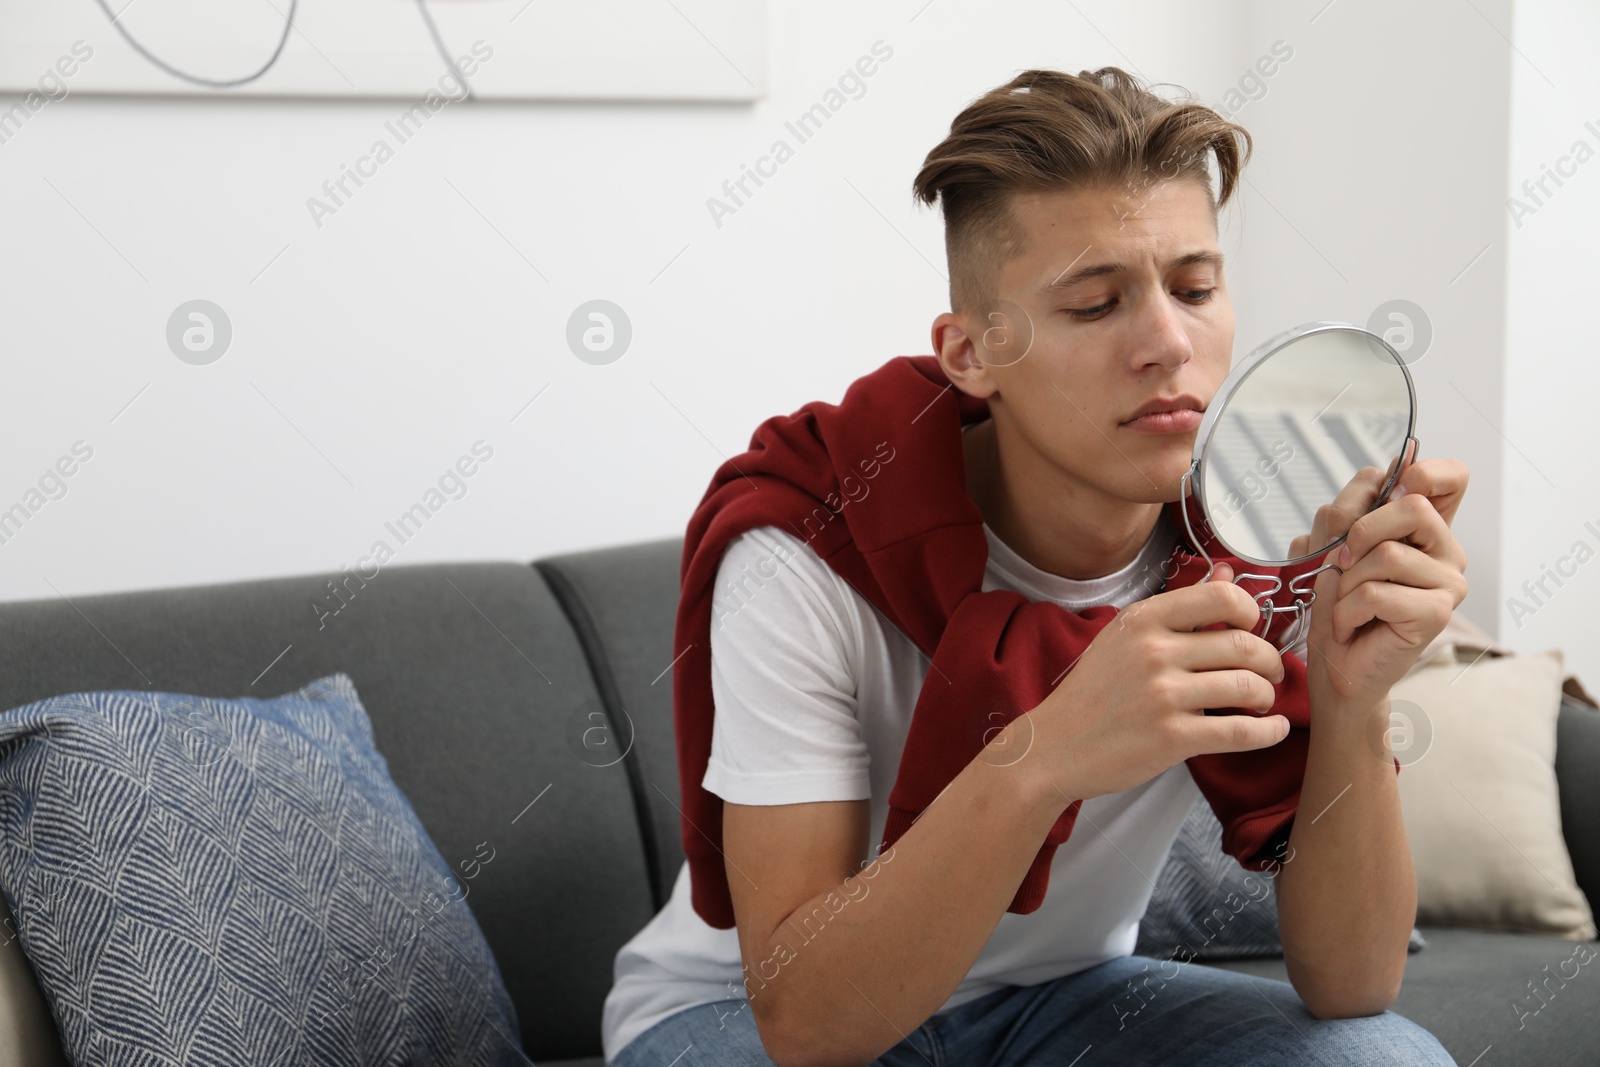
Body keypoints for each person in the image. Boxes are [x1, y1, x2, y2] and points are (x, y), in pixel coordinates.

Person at [601, 66, 1468, 1067]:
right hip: (742, 1013)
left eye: (1195, 288)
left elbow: (1352, 983)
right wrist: (1047, 749)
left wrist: (1356, 696)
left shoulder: (1250, 546)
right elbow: (803, 1022)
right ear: (969, 352)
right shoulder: (805, 551)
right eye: (1096, 305)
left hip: (1060, 999)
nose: (1167, 343)